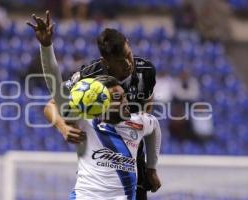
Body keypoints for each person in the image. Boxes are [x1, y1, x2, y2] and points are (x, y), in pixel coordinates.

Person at [27, 11, 160, 199]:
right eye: (121, 61)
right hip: (100, 152)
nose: (129, 64)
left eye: (129, 55)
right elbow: (52, 104)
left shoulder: (146, 71)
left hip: (131, 157)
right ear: (106, 62)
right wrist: (63, 127)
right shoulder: (89, 76)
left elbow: (147, 113)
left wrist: (150, 167)